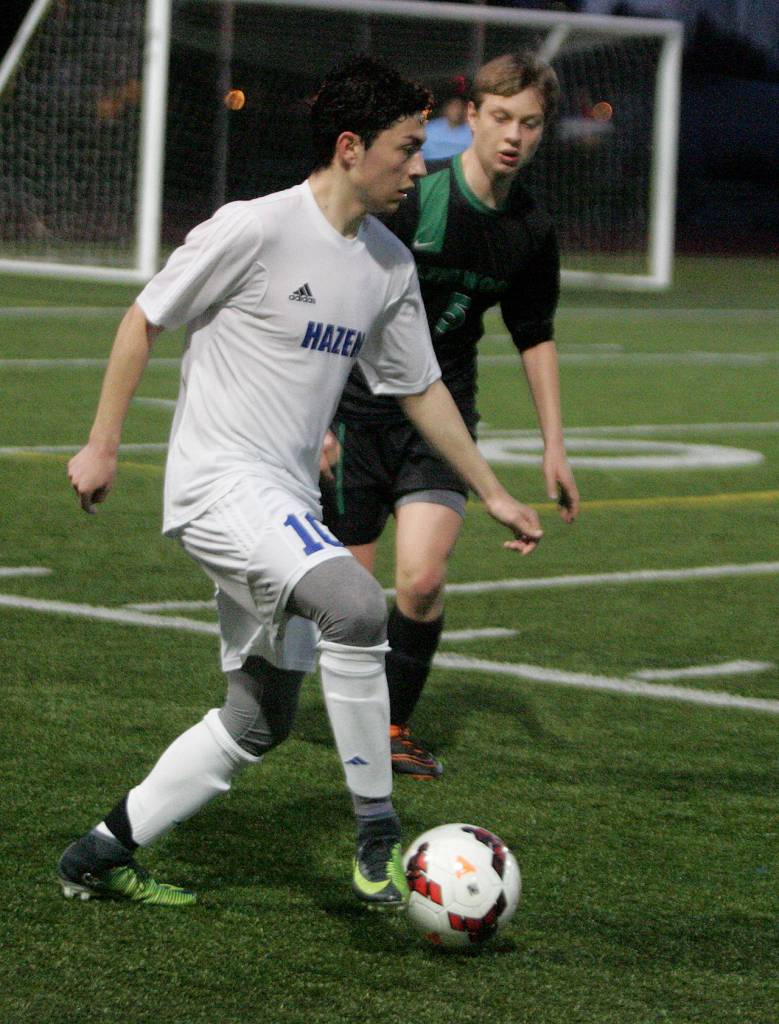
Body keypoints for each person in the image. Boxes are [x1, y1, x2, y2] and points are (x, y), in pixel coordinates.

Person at [57, 56, 543, 910]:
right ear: (351, 148)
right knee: (356, 605)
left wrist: (491, 489)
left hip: (283, 496)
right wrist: (104, 446)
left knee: (260, 718)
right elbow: (145, 317)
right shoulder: (254, 227)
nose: (418, 168)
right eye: (404, 149)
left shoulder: (387, 264)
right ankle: (376, 835)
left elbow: (419, 388)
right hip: (218, 486)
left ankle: (101, 851)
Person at [321, 52, 580, 780]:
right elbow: (342, 303)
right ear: (470, 116)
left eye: (528, 124)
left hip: (441, 421)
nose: (512, 136)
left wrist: (552, 446)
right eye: (500, 117)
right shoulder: (413, 200)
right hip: (357, 414)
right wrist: (315, 421)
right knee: (349, 607)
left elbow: (534, 334)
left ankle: (391, 728)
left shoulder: (529, 229)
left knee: (424, 580)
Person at [421, 77, 472, 160]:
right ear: (445, 109)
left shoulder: (472, 132)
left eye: (459, 107)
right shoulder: (430, 129)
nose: (456, 111)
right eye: (453, 107)